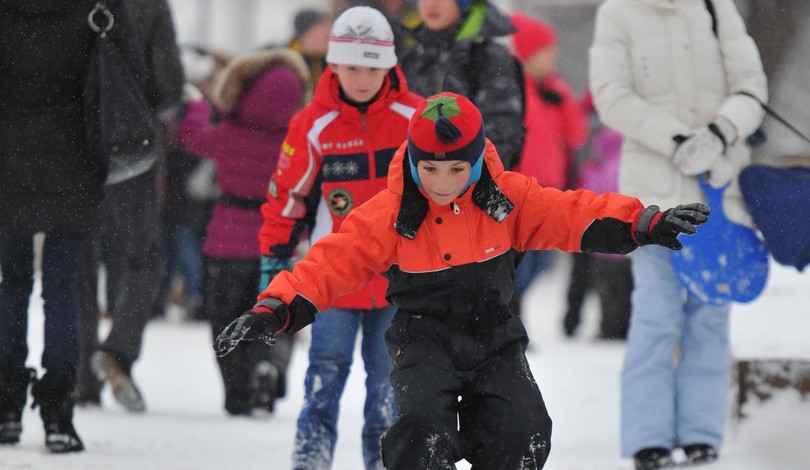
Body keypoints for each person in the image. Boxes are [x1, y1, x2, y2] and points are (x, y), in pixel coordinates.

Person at [215, 91, 710, 470]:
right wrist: (275, 307)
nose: (442, 181)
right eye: (429, 167)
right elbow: (330, 262)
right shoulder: (391, 212)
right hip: (423, 338)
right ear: (413, 159)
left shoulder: (506, 198)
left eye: (456, 168)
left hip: (494, 336)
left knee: (523, 433)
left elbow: (571, 212)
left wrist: (641, 222)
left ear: (475, 160)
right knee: (419, 431)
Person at [589, 0, 768, 467]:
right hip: (653, 199)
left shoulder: (716, 6)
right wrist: (679, 139)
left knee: (711, 315)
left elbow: (751, 86)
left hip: (721, 193)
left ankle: (701, 435)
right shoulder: (618, 12)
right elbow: (611, 94)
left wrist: (720, 131)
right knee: (656, 315)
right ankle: (648, 439)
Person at [256, 7, 422, 469]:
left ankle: (386, 461)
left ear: (389, 65)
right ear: (333, 65)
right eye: (352, 67)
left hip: (399, 278)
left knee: (388, 383)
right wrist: (274, 261)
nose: (363, 78)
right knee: (324, 375)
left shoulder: (416, 117)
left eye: (373, 67)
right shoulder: (312, 124)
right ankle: (310, 457)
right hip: (334, 279)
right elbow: (287, 198)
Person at [0, 0, 127, 453]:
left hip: (9, 158)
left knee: (11, 282)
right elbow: (136, 75)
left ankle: (6, 408)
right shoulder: (95, 8)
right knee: (63, 286)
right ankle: (58, 414)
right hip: (73, 159)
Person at [178, 48, 312, 416]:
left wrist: (197, 105)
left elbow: (190, 136)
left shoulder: (230, 132)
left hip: (229, 235)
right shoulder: (298, 140)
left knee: (227, 316)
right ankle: (269, 366)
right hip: (279, 239)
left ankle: (237, 391)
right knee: (275, 313)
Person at [75, 0, 185, 413]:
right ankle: (118, 350)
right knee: (141, 256)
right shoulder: (149, 4)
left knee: (76, 260)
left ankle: (82, 378)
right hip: (130, 144)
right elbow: (168, 82)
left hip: (70, 144)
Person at [506, 12, 588, 322]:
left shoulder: (555, 91)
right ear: (527, 54)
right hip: (520, 194)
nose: (552, 59)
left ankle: (514, 314)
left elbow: (577, 135)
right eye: (546, 53)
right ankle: (513, 320)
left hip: (551, 193)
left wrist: (563, 100)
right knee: (520, 263)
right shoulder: (513, 88)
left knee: (543, 264)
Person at [396, 0, 525, 169]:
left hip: (470, 183)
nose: (431, 4)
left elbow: (502, 132)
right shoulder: (412, 57)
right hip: (416, 183)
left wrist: (465, 180)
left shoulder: (488, 56)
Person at [563, 92, 633, 340]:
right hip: (616, 233)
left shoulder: (598, 152)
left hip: (591, 226)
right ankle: (615, 327)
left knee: (595, 281)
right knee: (618, 285)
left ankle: (583, 323)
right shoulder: (622, 149)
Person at [287, 9, 332, 85]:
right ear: (305, 34)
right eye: (321, 30)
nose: (327, 35)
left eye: (328, 29)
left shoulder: (329, 62)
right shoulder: (284, 64)